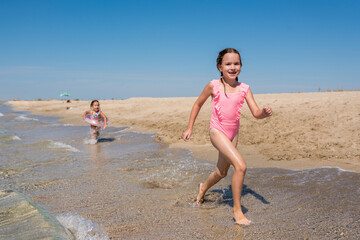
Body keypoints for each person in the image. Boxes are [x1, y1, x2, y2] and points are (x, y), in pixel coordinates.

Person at [182, 48, 272, 226]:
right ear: (220, 67)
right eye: (228, 64)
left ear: (241, 66)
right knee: (241, 166)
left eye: (236, 63)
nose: (232, 67)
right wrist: (189, 128)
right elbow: (197, 104)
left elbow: (255, 112)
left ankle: (203, 188)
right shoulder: (213, 85)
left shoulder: (244, 88)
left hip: (233, 134)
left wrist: (263, 113)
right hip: (217, 131)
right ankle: (238, 212)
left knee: (221, 172)